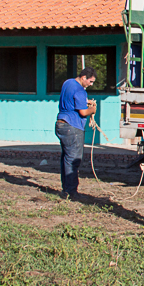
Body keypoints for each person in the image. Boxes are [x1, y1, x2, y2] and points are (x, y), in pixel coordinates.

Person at [54, 67, 97, 199]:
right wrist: (93, 109)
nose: (91, 85)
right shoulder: (80, 90)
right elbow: (83, 112)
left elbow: (71, 100)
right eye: (90, 81)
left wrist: (86, 102)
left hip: (61, 123)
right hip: (72, 126)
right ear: (83, 77)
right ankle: (72, 192)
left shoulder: (68, 83)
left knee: (66, 159)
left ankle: (66, 188)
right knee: (73, 160)